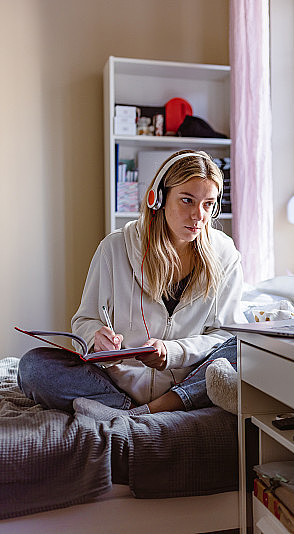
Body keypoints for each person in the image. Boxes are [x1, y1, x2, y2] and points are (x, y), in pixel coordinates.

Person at [17, 149, 245, 419]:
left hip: (186, 383)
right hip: (118, 383)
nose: (199, 216)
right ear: (158, 198)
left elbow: (225, 335)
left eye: (208, 204)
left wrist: (172, 353)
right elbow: (85, 320)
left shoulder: (225, 254)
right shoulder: (114, 248)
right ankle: (130, 409)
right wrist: (96, 339)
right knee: (33, 366)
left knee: (241, 351)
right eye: (187, 200)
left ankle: (143, 412)